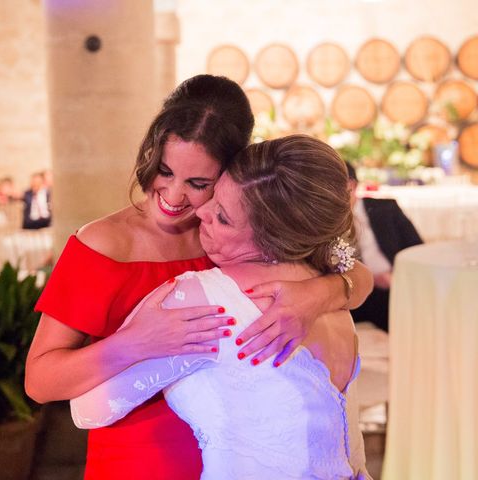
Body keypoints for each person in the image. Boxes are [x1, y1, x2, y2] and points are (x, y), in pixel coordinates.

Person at [25, 75, 373, 480]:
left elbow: (352, 272)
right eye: (165, 171)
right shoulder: (103, 245)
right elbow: (40, 381)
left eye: (198, 184)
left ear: (229, 175)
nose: (173, 197)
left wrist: (318, 293)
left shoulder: (237, 232)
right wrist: (132, 344)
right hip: (139, 463)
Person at [346, 163, 422, 331]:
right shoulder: (324, 220)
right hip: (352, 291)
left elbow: (417, 248)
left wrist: (398, 278)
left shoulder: (386, 209)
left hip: (395, 285)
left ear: (352, 185)